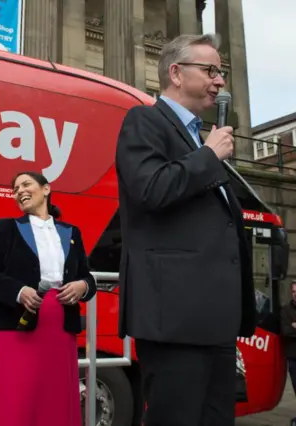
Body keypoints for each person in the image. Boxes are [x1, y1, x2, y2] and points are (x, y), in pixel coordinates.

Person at [115, 33, 256, 426]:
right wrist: (208, 157)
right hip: (174, 319)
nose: (221, 81)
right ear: (175, 73)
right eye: (210, 70)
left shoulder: (200, 138)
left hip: (214, 322)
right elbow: (150, 189)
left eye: (221, 72)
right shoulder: (144, 120)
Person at [0, 171, 97, 426]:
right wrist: (18, 291)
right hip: (15, 326)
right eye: (16, 188)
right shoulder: (7, 228)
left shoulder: (71, 232)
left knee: (54, 399)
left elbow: (87, 276)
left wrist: (82, 286)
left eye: (26, 184)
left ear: (46, 189)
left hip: (59, 329)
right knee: (14, 399)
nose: (20, 191)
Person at [280, 280, 296, 424]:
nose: (295, 295)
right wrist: (292, 328)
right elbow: (286, 331)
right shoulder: (285, 311)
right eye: (294, 292)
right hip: (294, 357)